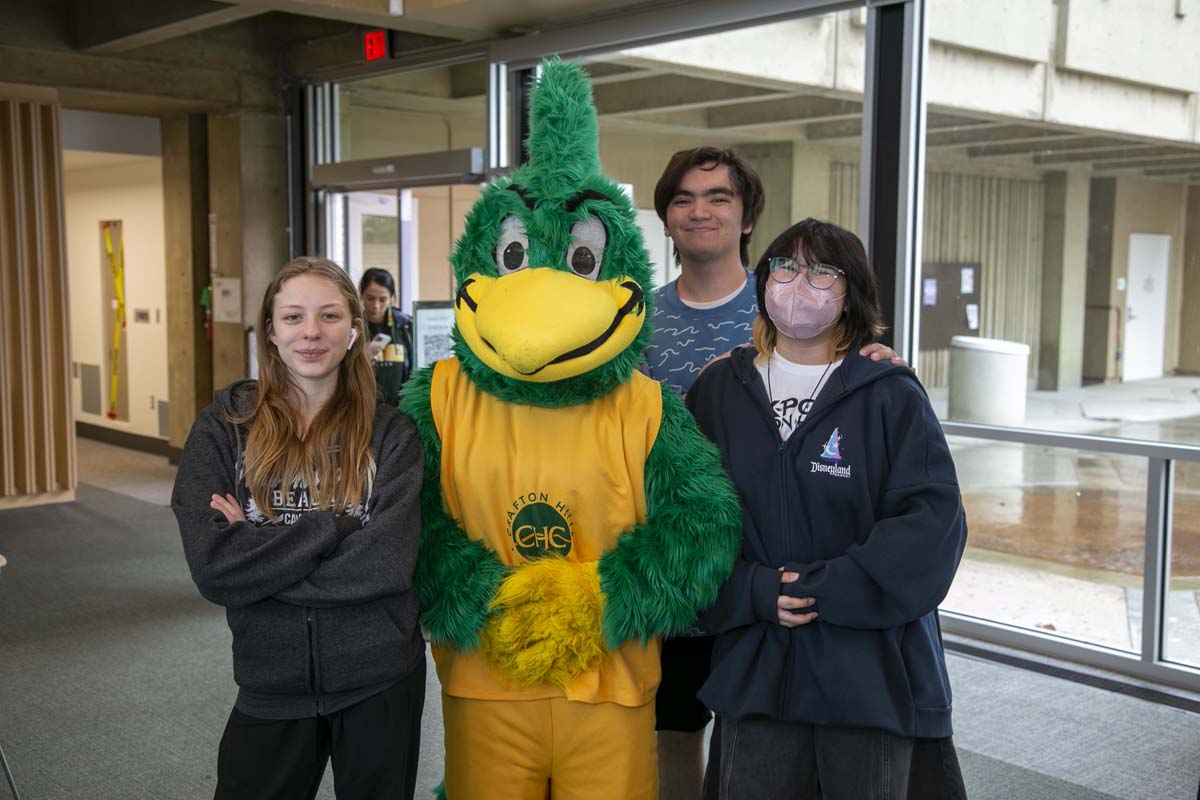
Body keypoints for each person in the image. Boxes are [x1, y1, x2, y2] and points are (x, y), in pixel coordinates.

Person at [647, 147, 907, 800]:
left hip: (775, 570)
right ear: (666, 217)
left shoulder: (791, 302)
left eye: (718, 197)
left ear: (746, 219)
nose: (699, 210)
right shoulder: (634, 322)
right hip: (681, 568)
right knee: (671, 731)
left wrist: (879, 362)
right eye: (683, 198)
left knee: (775, 737)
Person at [686, 218, 968, 799]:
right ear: (763, 282)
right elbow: (685, 520)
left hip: (866, 668)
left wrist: (823, 588)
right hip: (757, 661)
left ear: (851, 292)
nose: (799, 283)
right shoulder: (718, 390)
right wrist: (756, 592)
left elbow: (931, 528)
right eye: (784, 267)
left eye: (821, 271)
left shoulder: (888, 392)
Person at [171, 256, 426, 800]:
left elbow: (385, 565)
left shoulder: (393, 437)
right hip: (270, 678)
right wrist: (332, 529)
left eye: (329, 316)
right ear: (270, 329)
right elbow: (215, 567)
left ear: (355, 330)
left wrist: (258, 555)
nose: (311, 332)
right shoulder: (223, 430)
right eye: (293, 317)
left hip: (379, 677)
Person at [359, 267, 414, 405]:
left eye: (382, 299)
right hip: (363, 410)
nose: (376, 306)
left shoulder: (405, 326)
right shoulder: (352, 328)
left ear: (391, 299)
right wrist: (358, 359)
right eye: (370, 298)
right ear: (361, 295)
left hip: (400, 413)